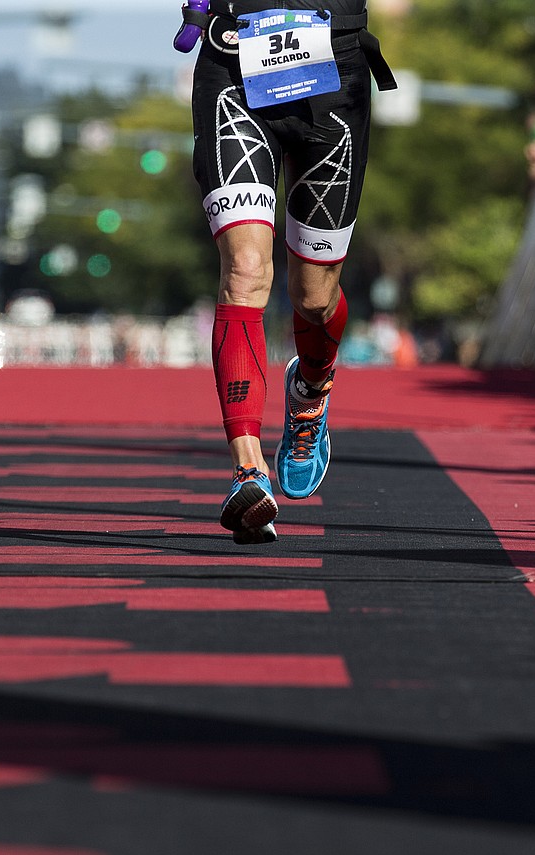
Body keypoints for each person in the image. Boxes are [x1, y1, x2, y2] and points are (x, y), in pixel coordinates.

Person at [185, 0, 395, 544]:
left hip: (335, 70)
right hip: (234, 62)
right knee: (246, 271)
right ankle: (248, 472)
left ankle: (311, 388)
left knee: (315, 297)